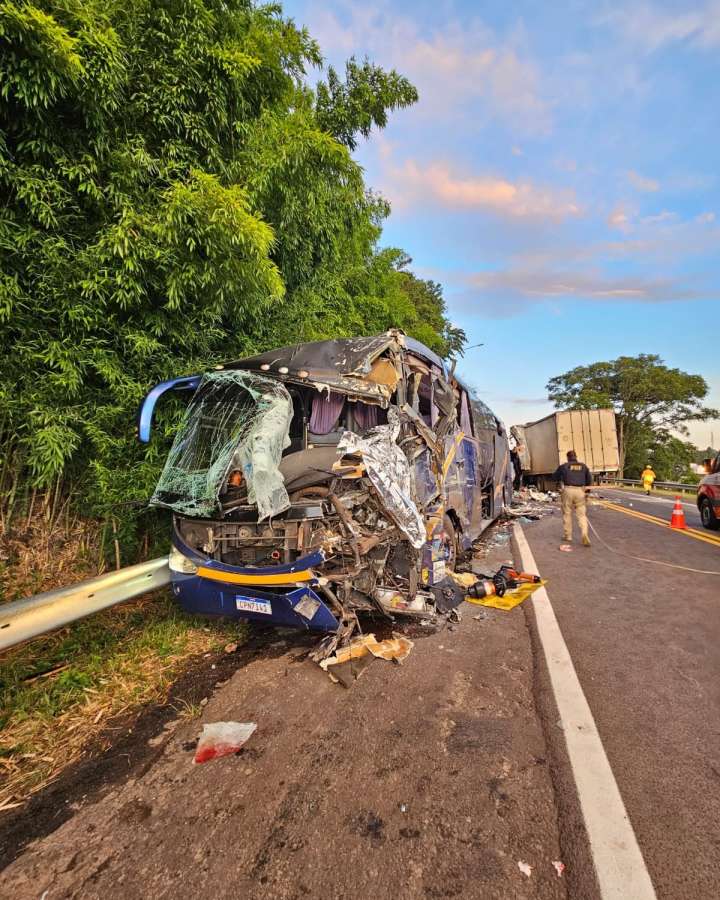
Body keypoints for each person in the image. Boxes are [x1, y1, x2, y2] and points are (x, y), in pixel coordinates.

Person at [553, 450, 592, 546]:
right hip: (580, 490)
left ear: (568, 457)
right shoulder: (583, 466)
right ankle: (584, 533)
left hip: (568, 490)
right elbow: (589, 480)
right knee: (582, 515)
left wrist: (559, 481)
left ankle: (568, 536)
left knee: (567, 513)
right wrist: (587, 492)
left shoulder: (564, 466)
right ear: (576, 456)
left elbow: (554, 476)